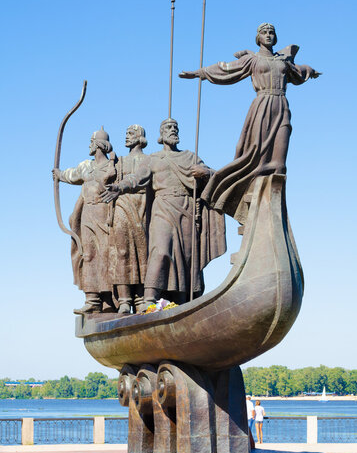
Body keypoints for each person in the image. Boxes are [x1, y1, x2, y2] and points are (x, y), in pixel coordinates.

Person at [179, 23, 321, 223]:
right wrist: (199, 73)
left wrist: (311, 71)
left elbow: (299, 72)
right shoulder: (253, 60)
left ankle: (273, 213)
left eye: (272, 32)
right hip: (262, 109)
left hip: (281, 107)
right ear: (258, 38)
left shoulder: (282, 61)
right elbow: (226, 69)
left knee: (279, 165)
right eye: (264, 33)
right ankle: (246, 199)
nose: (269, 35)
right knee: (255, 156)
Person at [101, 118, 226, 306]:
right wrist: (119, 187)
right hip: (163, 208)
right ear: (161, 134)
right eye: (168, 128)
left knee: (186, 257)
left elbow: (215, 176)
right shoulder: (154, 159)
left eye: (176, 127)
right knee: (160, 251)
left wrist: (205, 173)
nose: (173, 130)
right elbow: (136, 178)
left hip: (186, 209)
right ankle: (149, 299)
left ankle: (183, 301)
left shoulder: (190, 157)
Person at [52, 128, 116, 314]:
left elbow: (113, 178)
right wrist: (59, 174)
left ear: (98, 144)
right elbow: (70, 175)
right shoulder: (86, 166)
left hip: (104, 214)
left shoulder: (112, 166)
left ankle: (108, 299)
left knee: (106, 256)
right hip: (87, 214)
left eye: (91, 141)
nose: (89, 145)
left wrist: (112, 161)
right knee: (88, 255)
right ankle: (92, 299)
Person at [111, 125, 150, 315]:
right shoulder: (119, 162)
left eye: (131, 134)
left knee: (142, 254)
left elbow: (144, 179)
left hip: (141, 206)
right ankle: (124, 300)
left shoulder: (149, 160)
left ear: (140, 137)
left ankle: (141, 299)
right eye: (126, 133)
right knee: (122, 252)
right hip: (121, 206)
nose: (127, 137)